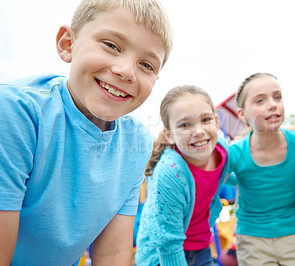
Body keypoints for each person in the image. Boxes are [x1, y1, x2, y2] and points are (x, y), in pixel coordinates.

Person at [0, 0, 173, 264]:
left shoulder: (137, 141)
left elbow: (113, 254)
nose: (126, 71)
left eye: (146, 65)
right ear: (67, 43)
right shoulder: (17, 112)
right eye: (111, 45)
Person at [228, 73, 295, 265]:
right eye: (260, 100)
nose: (272, 104)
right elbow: (218, 177)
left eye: (277, 97)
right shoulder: (236, 152)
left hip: (293, 234)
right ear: (242, 114)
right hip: (252, 238)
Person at [135, 85, 231, 266]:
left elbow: (225, 176)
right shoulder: (170, 172)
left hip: (199, 245)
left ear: (216, 123)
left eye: (205, 119)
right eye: (185, 124)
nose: (199, 131)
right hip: (160, 253)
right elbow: (168, 241)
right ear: (169, 135)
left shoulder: (223, 151)